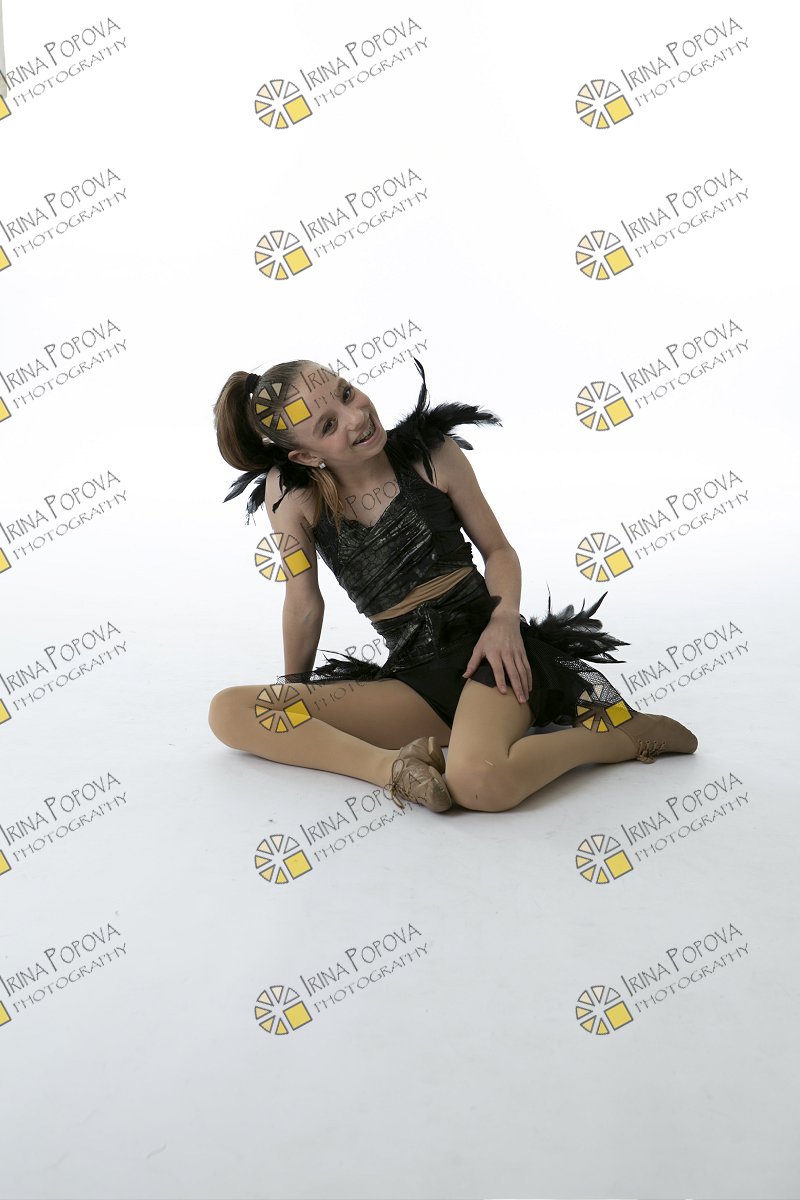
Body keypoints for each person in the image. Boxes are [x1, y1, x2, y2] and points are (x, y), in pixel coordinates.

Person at [207, 356, 698, 813]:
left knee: (479, 784)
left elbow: (499, 551)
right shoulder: (292, 496)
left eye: (347, 393)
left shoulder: (431, 455)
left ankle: (619, 738)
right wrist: (297, 701)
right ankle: (394, 769)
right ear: (303, 455)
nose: (356, 417)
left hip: (490, 654)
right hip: (414, 679)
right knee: (230, 710)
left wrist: (504, 621)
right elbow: (303, 601)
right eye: (328, 426)